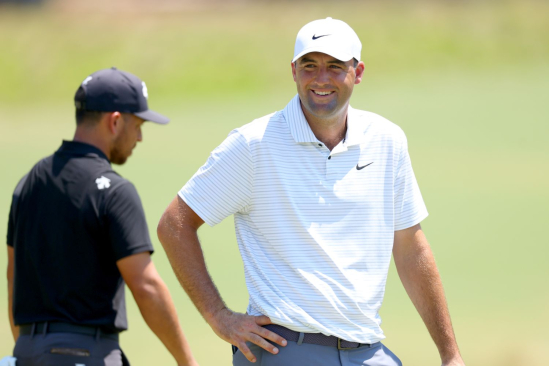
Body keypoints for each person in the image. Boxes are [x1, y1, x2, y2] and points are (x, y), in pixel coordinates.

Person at [157, 18, 465, 366]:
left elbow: (411, 248)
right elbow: (174, 224)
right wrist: (219, 316)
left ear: (358, 71)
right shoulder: (253, 144)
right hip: (284, 349)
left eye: (334, 66)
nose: (321, 78)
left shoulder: (387, 140)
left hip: (367, 350)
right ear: (293, 71)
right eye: (309, 66)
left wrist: (450, 354)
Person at [6, 67, 198, 366]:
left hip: (27, 353)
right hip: (88, 354)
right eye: (137, 125)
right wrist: (187, 362)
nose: (140, 137)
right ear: (116, 121)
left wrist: (31, 351)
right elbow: (145, 286)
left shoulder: (28, 183)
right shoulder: (115, 191)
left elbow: (13, 274)